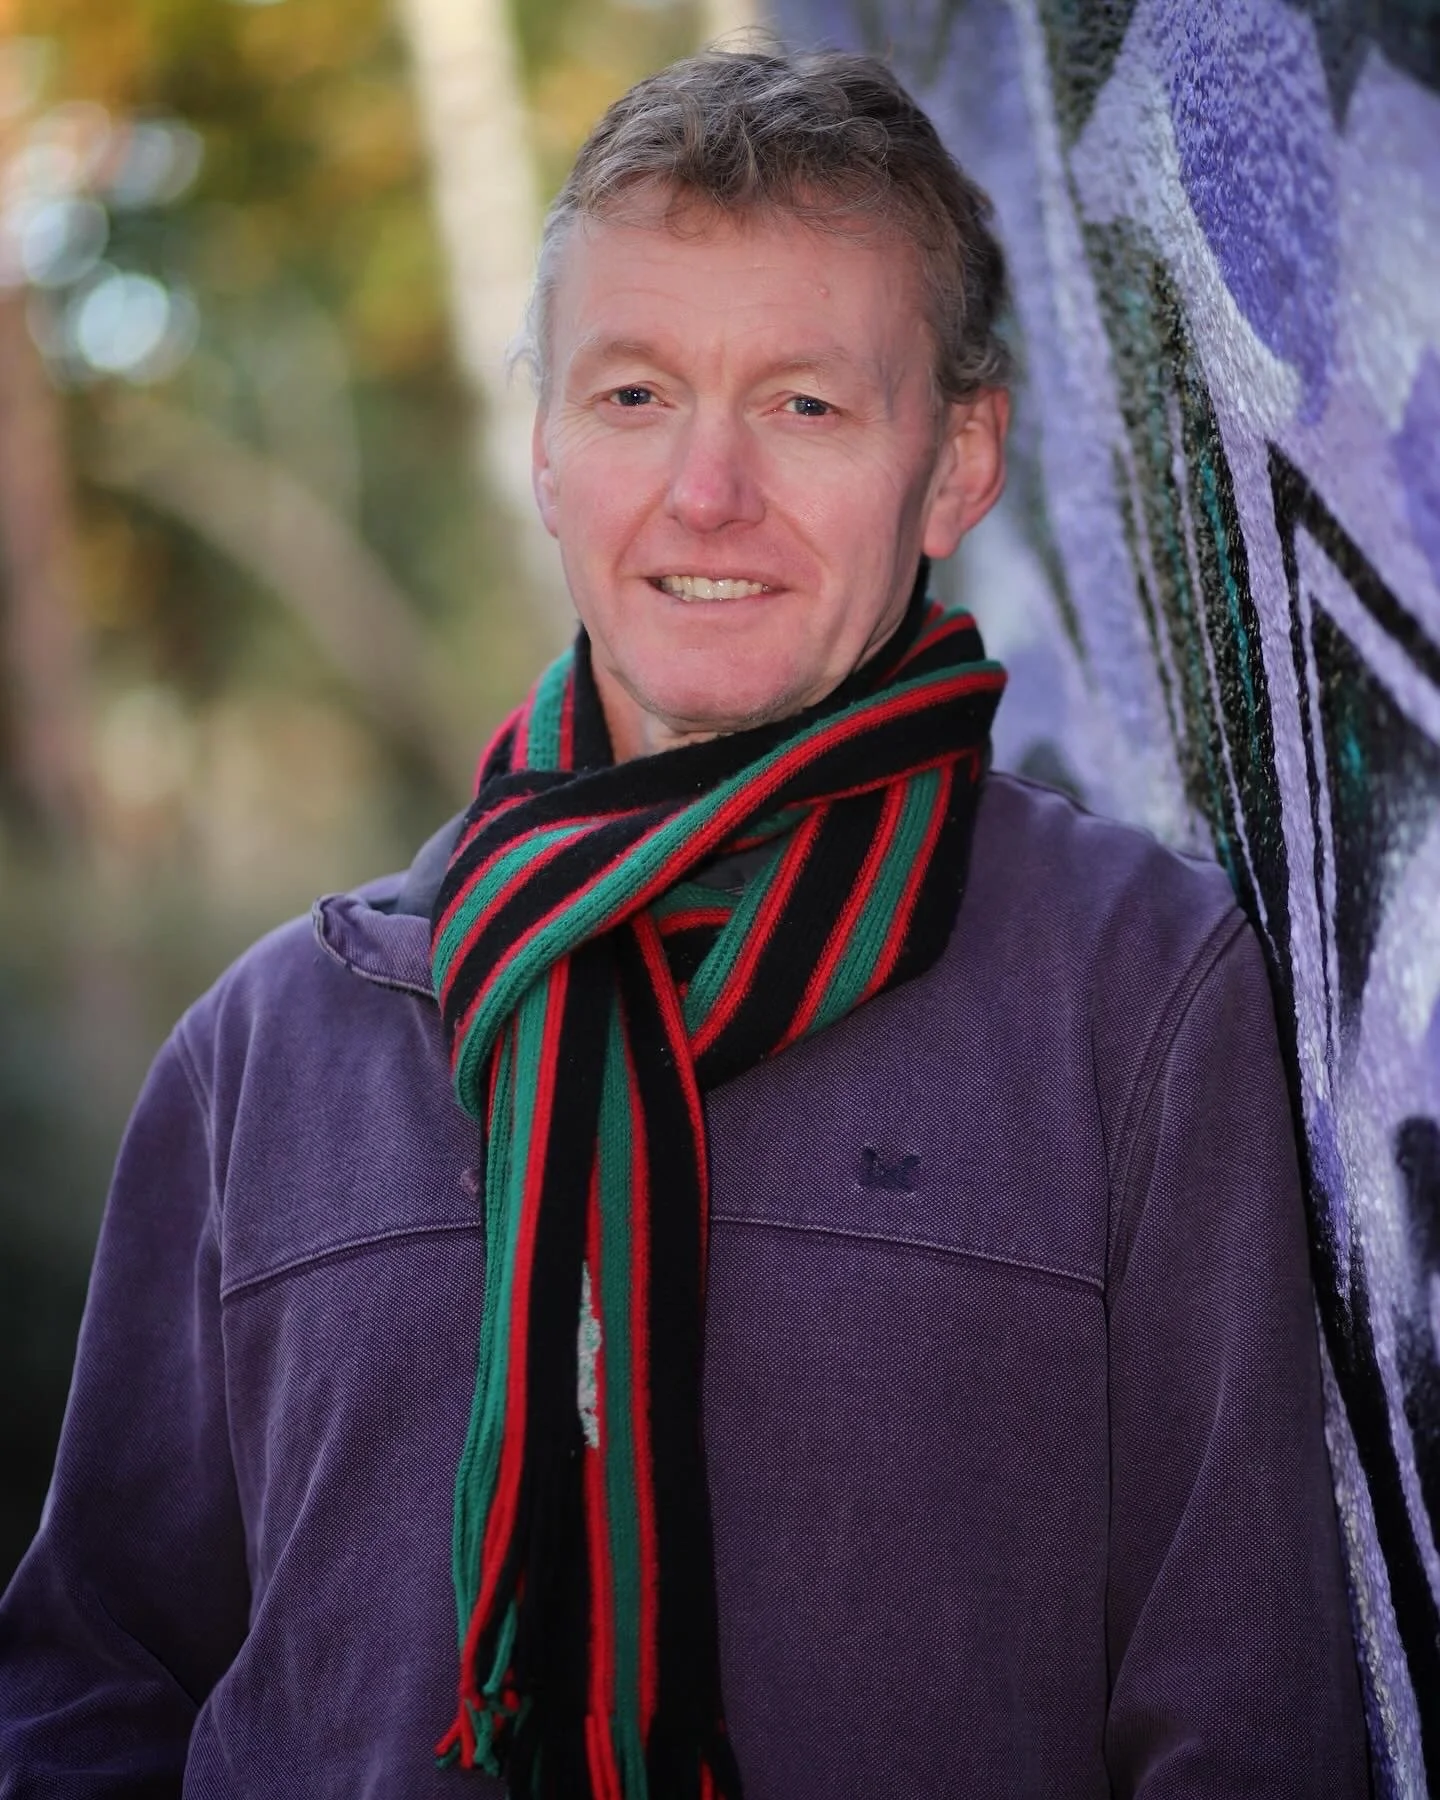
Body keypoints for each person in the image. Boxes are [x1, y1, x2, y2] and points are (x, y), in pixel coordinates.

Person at [0, 48, 1368, 1800]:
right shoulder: (277, 1045)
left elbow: (1243, 1727)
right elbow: (85, 1685)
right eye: (636, 395)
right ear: (550, 448)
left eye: (805, 406)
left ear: (956, 465)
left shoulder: (1127, 993)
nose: (705, 495)